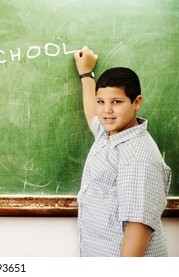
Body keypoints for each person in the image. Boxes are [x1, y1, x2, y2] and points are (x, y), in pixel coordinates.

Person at [73, 46, 171, 257]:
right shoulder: (111, 133)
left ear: (136, 103)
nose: (106, 110)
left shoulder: (137, 157)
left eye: (116, 102)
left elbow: (138, 226)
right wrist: (86, 74)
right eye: (102, 102)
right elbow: (93, 115)